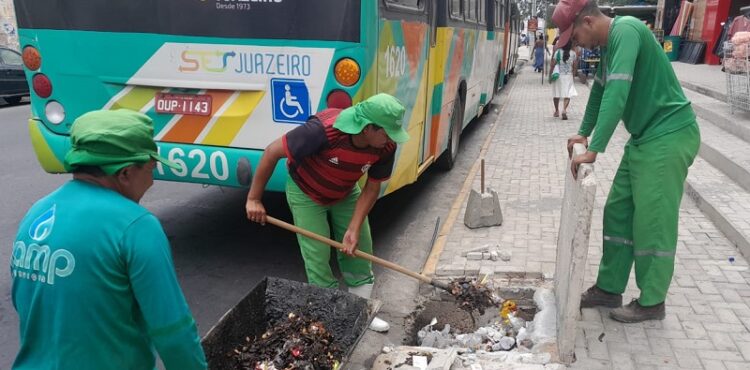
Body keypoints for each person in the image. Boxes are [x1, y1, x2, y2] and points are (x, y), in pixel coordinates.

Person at [10, 109, 207, 369]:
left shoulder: (38, 212)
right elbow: (173, 331)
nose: (152, 180)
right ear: (125, 173)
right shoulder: (136, 225)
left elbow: (26, 302)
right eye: (150, 167)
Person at [555, 0, 701, 323]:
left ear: (589, 22)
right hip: (644, 138)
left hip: (668, 134)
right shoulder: (609, 46)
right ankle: (609, 288)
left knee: (652, 222)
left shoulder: (628, 31)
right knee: (618, 210)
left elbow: (617, 94)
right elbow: (599, 92)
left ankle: (652, 302)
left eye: (574, 35)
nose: (574, 43)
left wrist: (597, 148)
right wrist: (582, 133)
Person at [245, 93, 408, 332]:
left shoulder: (386, 145)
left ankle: (361, 313)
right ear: (367, 129)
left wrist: (353, 228)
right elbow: (271, 152)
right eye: (386, 132)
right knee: (317, 253)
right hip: (306, 191)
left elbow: (372, 187)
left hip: (345, 191)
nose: (391, 138)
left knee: (359, 246)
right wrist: (253, 198)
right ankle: (330, 318)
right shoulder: (320, 132)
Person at [549, 41, 578, 120]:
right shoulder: (573, 53)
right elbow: (575, 66)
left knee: (556, 93)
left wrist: (550, 75)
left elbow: (553, 64)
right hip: (568, 76)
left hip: (558, 76)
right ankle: (564, 110)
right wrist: (573, 75)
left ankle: (556, 111)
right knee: (568, 94)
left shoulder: (557, 52)